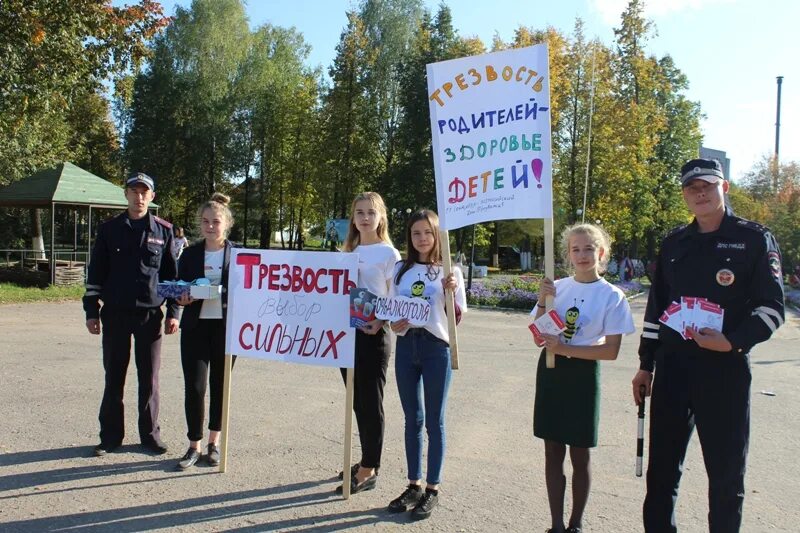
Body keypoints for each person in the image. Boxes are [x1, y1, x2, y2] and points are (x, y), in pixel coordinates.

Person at [632, 158, 785, 533]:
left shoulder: (753, 238)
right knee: (662, 472)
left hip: (724, 370)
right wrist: (645, 364)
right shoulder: (673, 243)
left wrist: (732, 342)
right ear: (684, 195)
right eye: (692, 188)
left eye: (707, 186)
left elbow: (772, 307)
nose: (700, 194)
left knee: (726, 475)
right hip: (673, 370)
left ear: (724, 187)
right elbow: (657, 310)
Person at [532, 224, 635, 533]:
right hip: (551, 370)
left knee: (580, 453)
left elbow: (611, 351)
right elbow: (538, 335)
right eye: (575, 249)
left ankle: (576, 524)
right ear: (568, 254)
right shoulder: (557, 288)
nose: (582, 255)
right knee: (552, 452)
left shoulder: (612, 296)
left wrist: (565, 347)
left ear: (601, 253)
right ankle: (556, 525)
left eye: (589, 248)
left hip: (583, 375)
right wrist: (541, 300)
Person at [83, 172, 178, 457]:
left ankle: (149, 436)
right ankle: (110, 437)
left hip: (150, 316)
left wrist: (174, 312)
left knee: (149, 378)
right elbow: (96, 272)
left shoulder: (164, 230)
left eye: (144, 192)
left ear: (152, 197)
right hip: (115, 315)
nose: (138, 197)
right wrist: (91, 311)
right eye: (133, 191)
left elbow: (171, 276)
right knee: (114, 376)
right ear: (125, 195)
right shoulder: (110, 229)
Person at [386, 209, 466, 520]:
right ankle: (413, 484)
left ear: (438, 236)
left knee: (435, 420)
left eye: (428, 233)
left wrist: (451, 294)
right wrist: (395, 323)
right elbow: (393, 307)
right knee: (412, 419)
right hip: (407, 346)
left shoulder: (448, 272)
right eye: (416, 233)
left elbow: (456, 318)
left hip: (436, 348)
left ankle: (433, 488)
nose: (422, 239)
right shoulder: (400, 269)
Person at [335, 192, 401, 494]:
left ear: (380, 217)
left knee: (371, 402)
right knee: (358, 400)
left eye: (370, 212)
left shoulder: (389, 254)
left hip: (374, 334)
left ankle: (369, 468)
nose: (364, 217)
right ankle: (365, 459)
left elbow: (394, 295)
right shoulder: (349, 250)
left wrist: (382, 321)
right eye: (359, 212)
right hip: (347, 334)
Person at [173, 193, 236, 470]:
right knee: (195, 388)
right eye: (206, 221)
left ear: (227, 224)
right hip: (195, 328)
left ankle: (214, 443)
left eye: (216, 221)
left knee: (221, 387)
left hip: (227, 330)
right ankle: (193, 445)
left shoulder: (239, 255)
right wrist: (181, 298)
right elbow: (177, 287)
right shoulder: (189, 254)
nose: (211, 226)